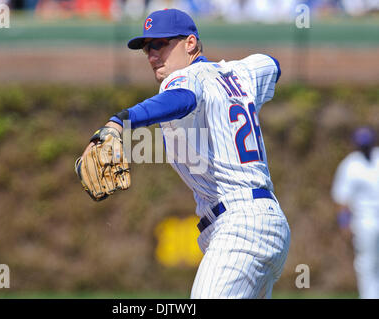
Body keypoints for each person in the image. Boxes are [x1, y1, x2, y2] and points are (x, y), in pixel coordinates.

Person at [80, 8, 290, 298]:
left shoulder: (185, 77)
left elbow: (182, 98)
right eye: (146, 48)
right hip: (267, 221)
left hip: (239, 228)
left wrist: (119, 121)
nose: (152, 55)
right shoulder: (242, 73)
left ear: (190, 43)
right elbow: (273, 65)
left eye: (160, 44)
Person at [331, 126, 379, 299]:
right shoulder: (350, 165)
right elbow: (342, 199)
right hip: (365, 222)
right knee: (367, 264)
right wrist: (345, 224)